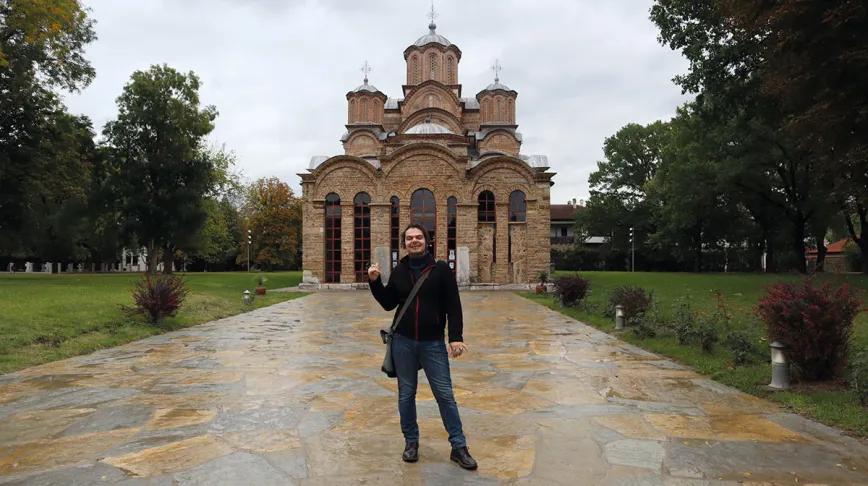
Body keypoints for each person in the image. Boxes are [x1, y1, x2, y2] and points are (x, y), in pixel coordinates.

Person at [368, 223, 477, 470]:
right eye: (409, 238)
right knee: (406, 395)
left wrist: (456, 337)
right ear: (404, 243)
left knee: (445, 395)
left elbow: (453, 306)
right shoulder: (400, 271)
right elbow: (388, 304)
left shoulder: (440, 270)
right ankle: (411, 442)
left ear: (427, 241)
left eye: (418, 237)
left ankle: (459, 447)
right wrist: (375, 283)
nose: (414, 241)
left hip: (432, 344)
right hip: (403, 343)